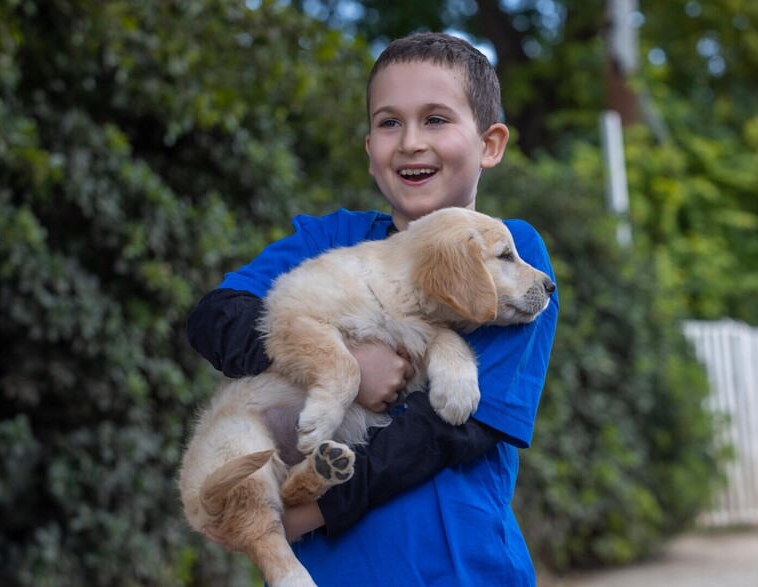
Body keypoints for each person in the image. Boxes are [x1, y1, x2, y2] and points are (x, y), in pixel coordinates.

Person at [186, 31, 559, 586]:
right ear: (369, 150)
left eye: (436, 119)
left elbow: (451, 432)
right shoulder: (329, 238)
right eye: (389, 122)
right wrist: (345, 361)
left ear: (490, 143)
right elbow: (215, 319)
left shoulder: (515, 254)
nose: (410, 142)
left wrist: (299, 516)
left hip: (460, 569)